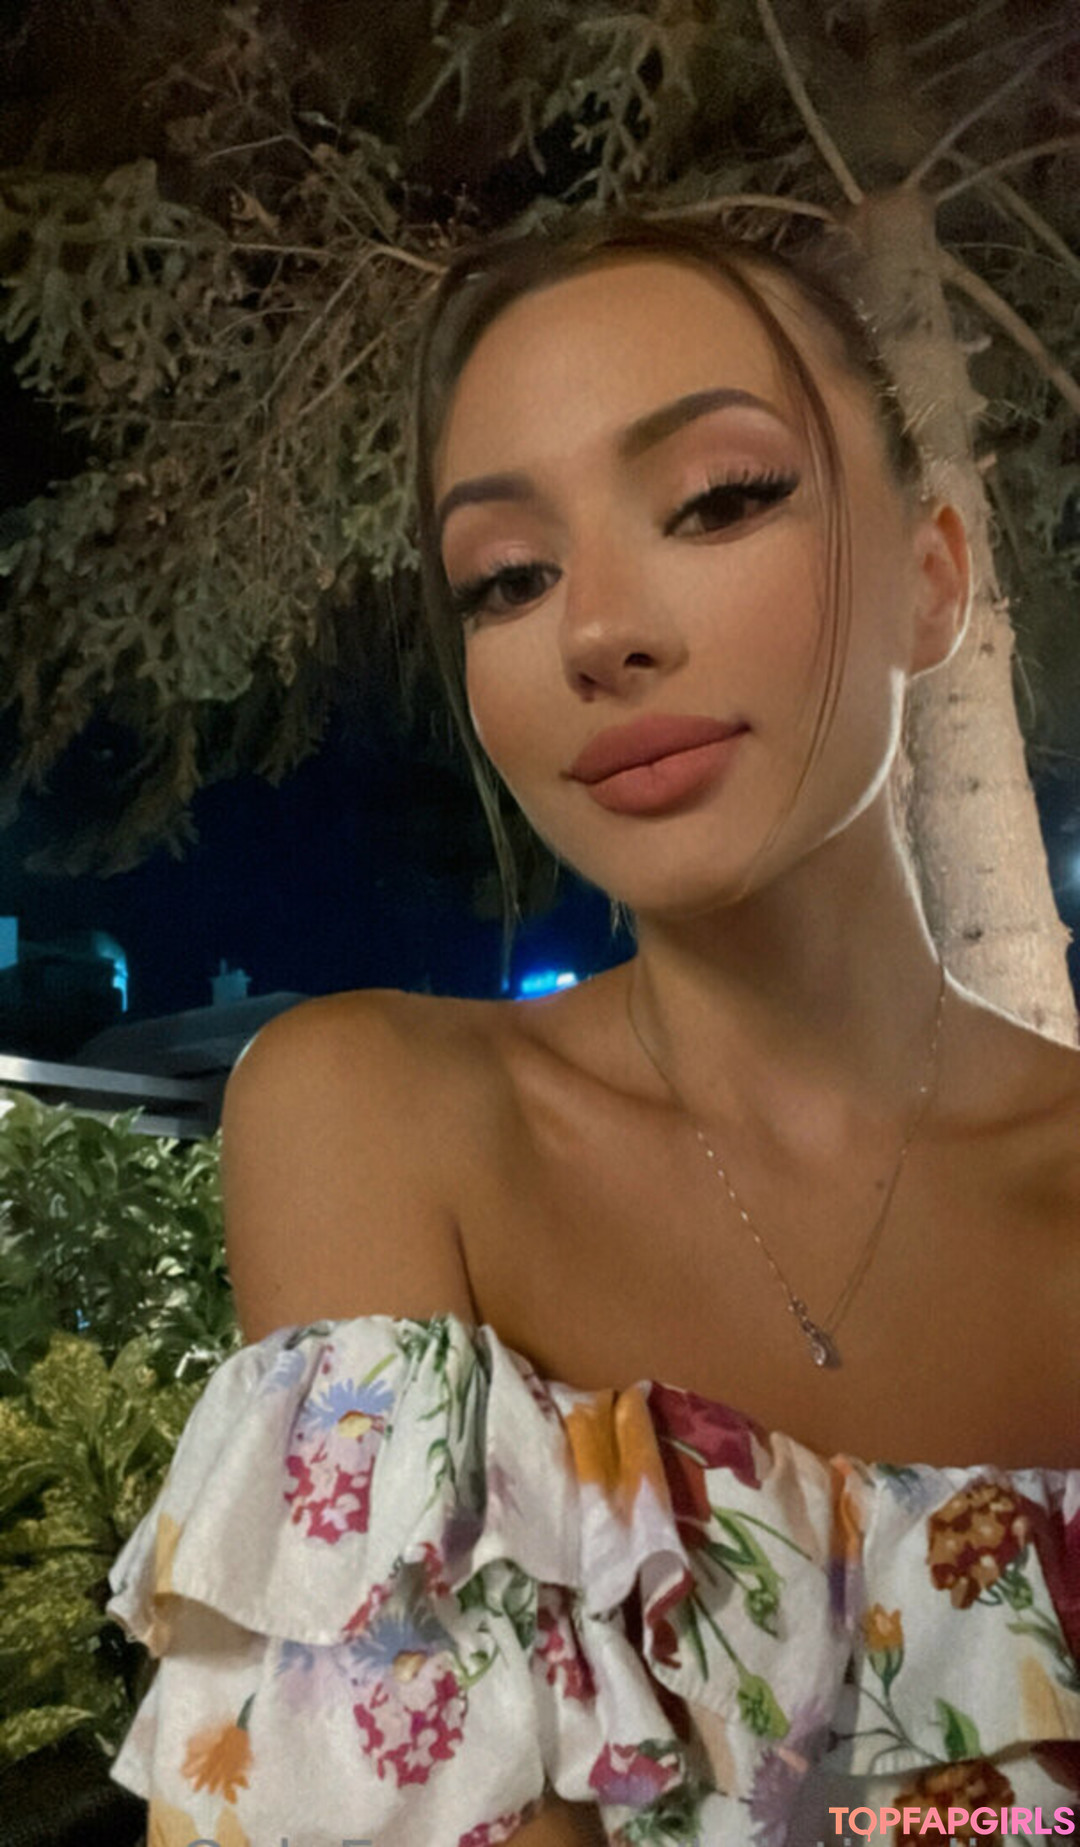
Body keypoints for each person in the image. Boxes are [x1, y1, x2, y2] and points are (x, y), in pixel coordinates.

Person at [104, 214, 1079, 1847]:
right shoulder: (381, 1119)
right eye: (508, 578)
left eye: (719, 498)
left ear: (931, 581)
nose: (595, 632)